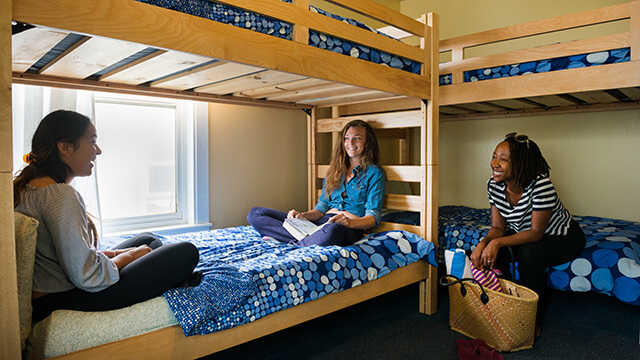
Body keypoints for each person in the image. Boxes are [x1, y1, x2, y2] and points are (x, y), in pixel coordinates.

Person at [13, 110, 201, 322]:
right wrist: (129, 256)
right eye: (92, 142)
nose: (98, 151)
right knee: (185, 252)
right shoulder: (59, 195)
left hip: (55, 290)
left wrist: (121, 253)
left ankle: (172, 277)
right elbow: (88, 276)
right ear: (65, 148)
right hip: (65, 298)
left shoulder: (26, 187)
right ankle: (177, 280)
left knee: (147, 240)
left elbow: (68, 255)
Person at [470, 132, 586, 335]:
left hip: (562, 236)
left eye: (503, 159)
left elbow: (535, 233)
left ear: (521, 164)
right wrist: (484, 243)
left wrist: (496, 243)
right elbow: (498, 228)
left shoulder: (541, 185)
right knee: (494, 254)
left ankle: (532, 319)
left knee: (528, 254)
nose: (494, 163)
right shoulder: (494, 185)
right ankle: (504, 306)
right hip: (526, 233)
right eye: (494, 156)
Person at [247, 119, 385, 247]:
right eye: (347, 138)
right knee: (256, 213)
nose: (350, 143)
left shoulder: (374, 173)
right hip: (320, 224)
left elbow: (372, 217)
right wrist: (302, 216)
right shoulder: (334, 170)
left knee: (333, 231)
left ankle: (292, 242)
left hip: (346, 228)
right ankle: (306, 240)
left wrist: (349, 222)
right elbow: (320, 209)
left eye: (357, 138)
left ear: (367, 143)